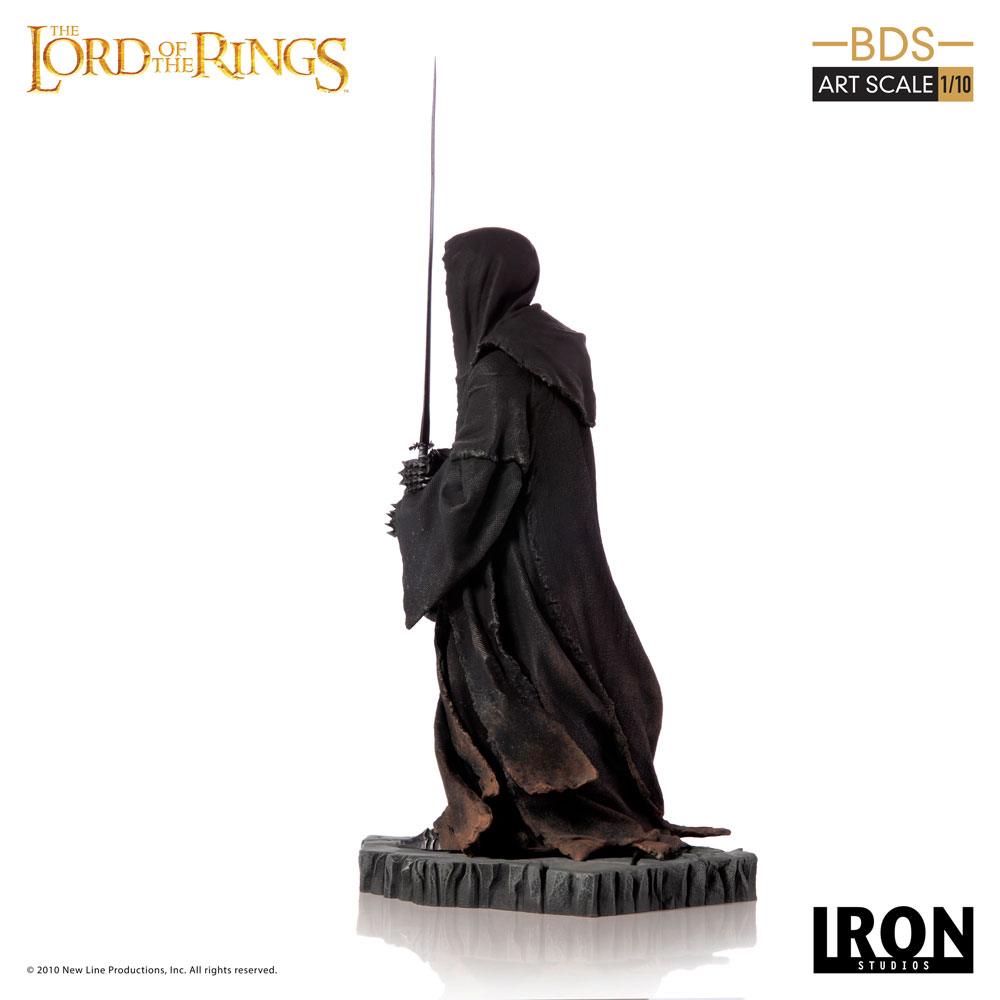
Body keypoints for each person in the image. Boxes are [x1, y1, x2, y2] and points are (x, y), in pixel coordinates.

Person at [390, 227, 728, 861]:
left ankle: (503, 819)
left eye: (455, 281)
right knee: (554, 683)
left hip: (515, 571)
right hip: (560, 559)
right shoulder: (544, 352)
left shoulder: (497, 370)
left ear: (482, 281)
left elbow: (478, 485)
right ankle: (522, 816)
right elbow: (505, 456)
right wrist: (450, 466)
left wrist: (419, 505)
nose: (451, 296)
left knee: (491, 680)